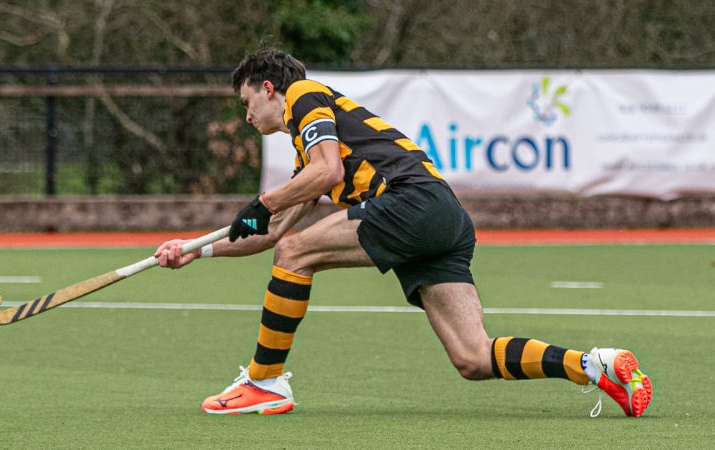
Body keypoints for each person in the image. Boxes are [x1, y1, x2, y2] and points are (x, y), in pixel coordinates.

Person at [154, 48, 652, 417]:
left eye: (246, 102)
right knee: (472, 357)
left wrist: (264, 203)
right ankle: (594, 365)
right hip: (445, 219)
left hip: (412, 202)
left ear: (268, 88)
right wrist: (197, 250)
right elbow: (272, 230)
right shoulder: (309, 153)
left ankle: (264, 383)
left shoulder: (303, 96)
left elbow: (322, 179)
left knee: (297, 252)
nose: (246, 116)